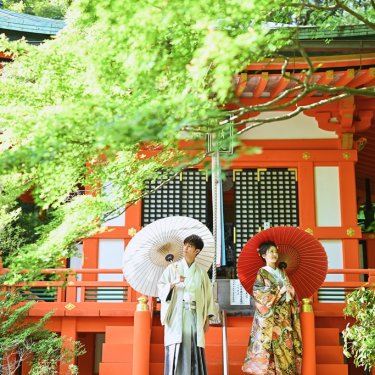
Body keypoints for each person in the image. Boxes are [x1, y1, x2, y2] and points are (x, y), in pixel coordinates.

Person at [157, 234, 216, 375]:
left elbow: (208, 295)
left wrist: (207, 317)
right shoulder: (173, 268)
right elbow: (161, 287)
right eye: (185, 245)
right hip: (178, 314)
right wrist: (173, 283)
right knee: (177, 346)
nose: (185, 248)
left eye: (189, 246)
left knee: (193, 347)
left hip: (195, 315)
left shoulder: (201, 274)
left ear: (197, 251)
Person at [242, 241, 303, 374]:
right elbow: (258, 293)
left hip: (284, 315)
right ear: (264, 255)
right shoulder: (262, 272)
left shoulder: (282, 272)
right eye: (271, 252)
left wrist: (290, 291)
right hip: (271, 317)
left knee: (286, 344)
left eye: (275, 251)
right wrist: (279, 292)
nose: (274, 254)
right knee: (270, 346)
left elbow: (291, 291)